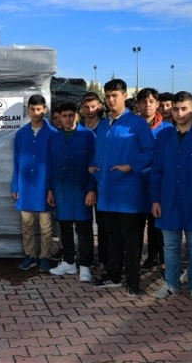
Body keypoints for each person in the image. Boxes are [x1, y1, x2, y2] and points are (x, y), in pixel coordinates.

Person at [150, 91, 192, 307]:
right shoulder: (164, 137)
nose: (179, 113)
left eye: (184, 109)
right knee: (170, 246)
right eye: (176, 109)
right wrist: (155, 199)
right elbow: (157, 170)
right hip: (169, 201)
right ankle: (171, 283)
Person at [89, 79, 155, 297]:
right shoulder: (103, 125)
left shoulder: (136, 124)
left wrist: (130, 166)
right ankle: (114, 275)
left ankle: (134, 282)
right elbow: (98, 152)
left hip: (129, 193)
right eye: (107, 96)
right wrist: (94, 168)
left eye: (114, 95)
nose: (110, 100)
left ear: (125, 96)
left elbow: (150, 152)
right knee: (111, 237)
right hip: (107, 192)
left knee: (132, 240)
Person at [47, 102, 96, 282]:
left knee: (84, 228)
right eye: (64, 116)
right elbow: (50, 165)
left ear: (76, 115)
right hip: (61, 190)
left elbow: (94, 164)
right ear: (59, 118)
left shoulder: (87, 136)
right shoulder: (54, 138)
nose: (67, 119)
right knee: (65, 227)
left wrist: (91, 189)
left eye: (70, 115)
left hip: (81, 189)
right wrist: (50, 190)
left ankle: (85, 265)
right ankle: (68, 262)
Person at [11, 94, 57, 272]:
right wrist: (16, 184)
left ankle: (45, 257)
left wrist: (51, 188)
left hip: (44, 186)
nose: (36, 113)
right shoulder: (21, 134)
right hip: (25, 185)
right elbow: (16, 160)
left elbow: (54, 162)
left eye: (39, 109)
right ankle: (29, 255)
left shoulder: (52, 133)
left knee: (46, 225)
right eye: (33, 109)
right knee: (27, 224)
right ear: (27, 110)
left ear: (45, 110)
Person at [136, 88, 173, 272]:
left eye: (151, 101)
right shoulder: (132, 126)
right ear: (138, 105)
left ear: (157, 104)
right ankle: (146, 257)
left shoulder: (167, 129)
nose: (147, 105)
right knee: (137, 224)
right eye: (143, 101)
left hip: (158, 183)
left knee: (157, 223)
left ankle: (162, 258)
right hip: (135, 182)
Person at [79, 91, 108, 269]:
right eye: (86, 107)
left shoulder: (105, 127)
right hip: (81, 184)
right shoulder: (78, 129)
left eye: (93, 106)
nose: (90, 110)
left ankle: (105, 259)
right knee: (84, 224)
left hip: (102, 183)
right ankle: (86, 258)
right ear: (81, 108)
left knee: (104, 224)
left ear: (99, 106)